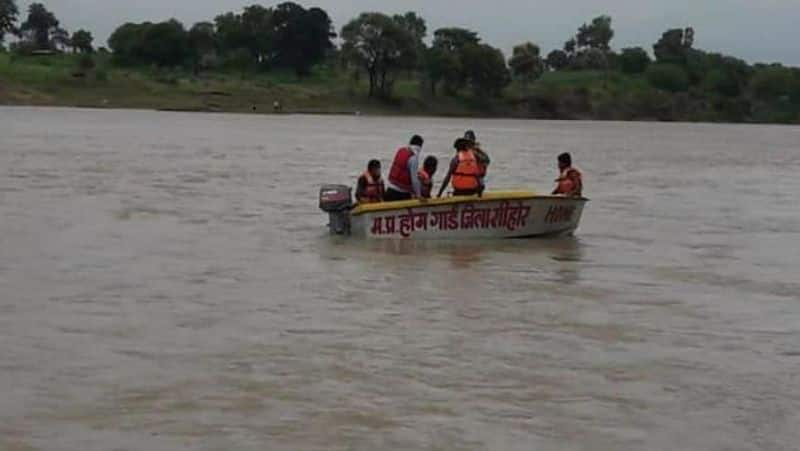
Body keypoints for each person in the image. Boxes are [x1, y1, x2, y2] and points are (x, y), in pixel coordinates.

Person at [385, 135, 424, 201]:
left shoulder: (401, 151)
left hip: (389, 190)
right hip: (400, 194)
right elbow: (414, 180)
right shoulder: (413, 158)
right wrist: (419, 195)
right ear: (420, 146)